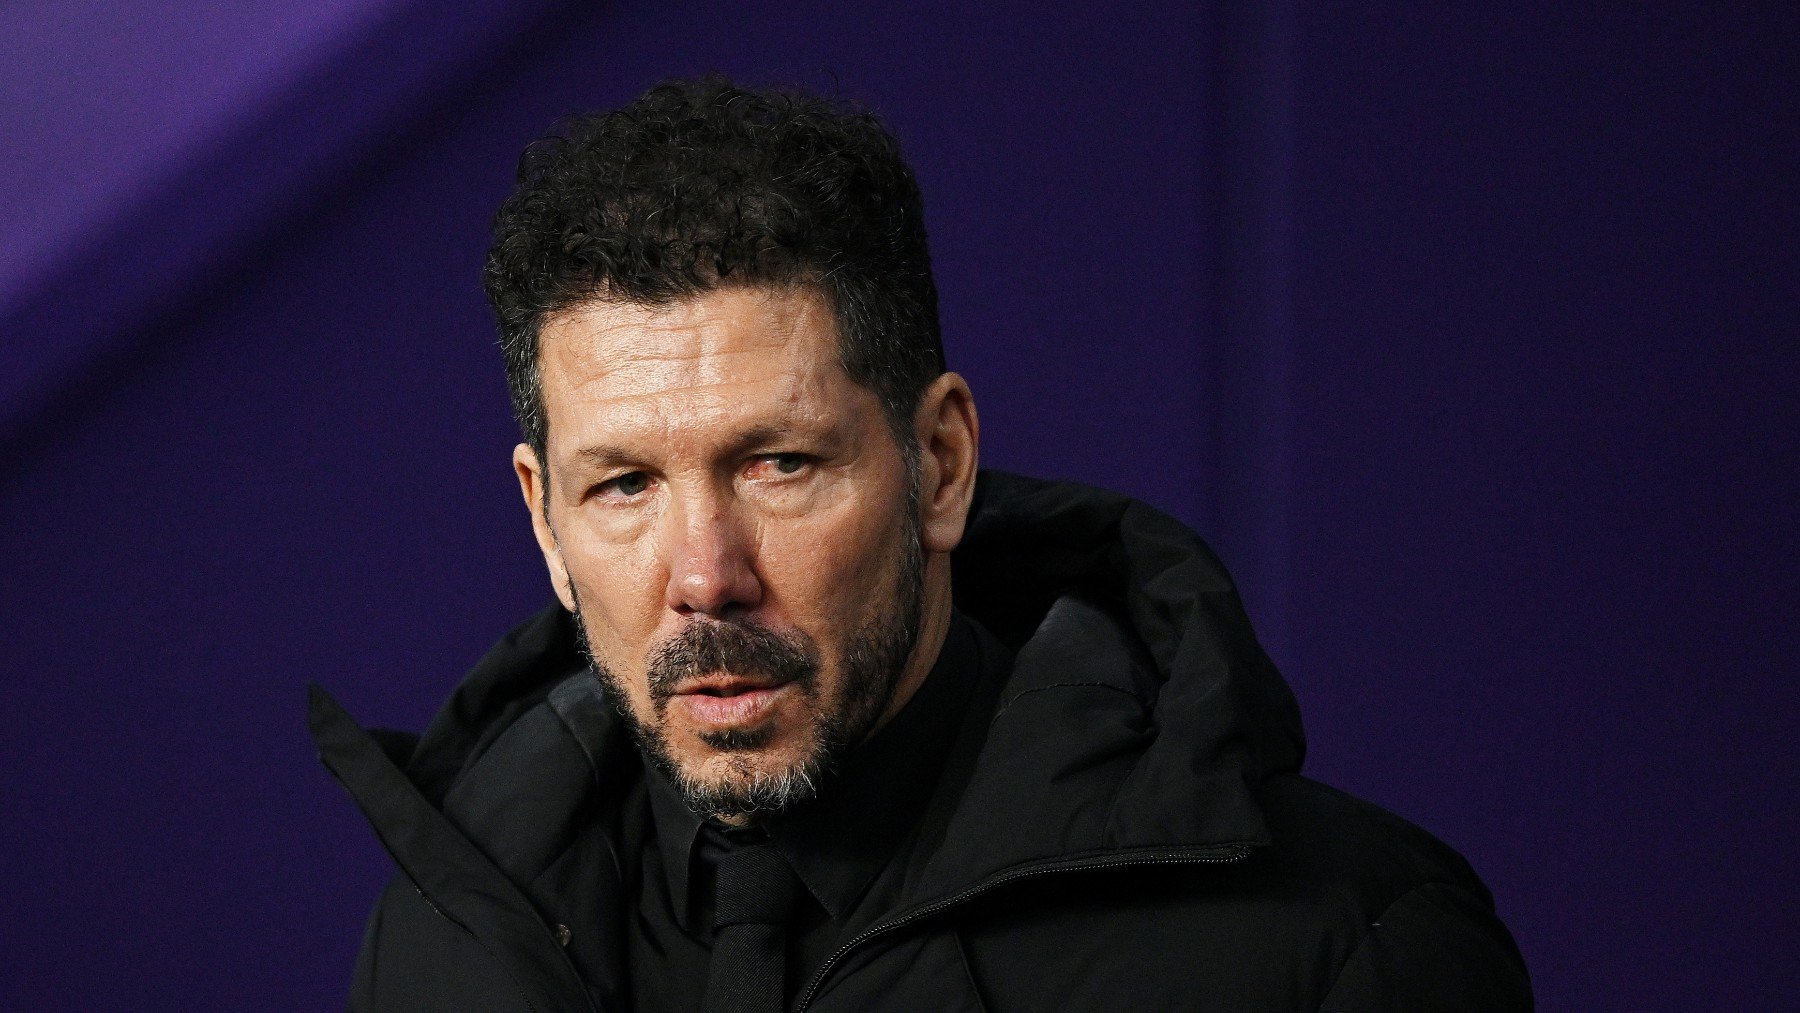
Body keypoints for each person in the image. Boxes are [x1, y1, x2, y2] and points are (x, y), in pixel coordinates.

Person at [310, 76, 1531, 1011]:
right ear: (544, 521)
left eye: (777, 463)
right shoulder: (437, 946)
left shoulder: (1341, 944)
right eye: (624, 484)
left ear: (940, 463)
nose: (702, 576)